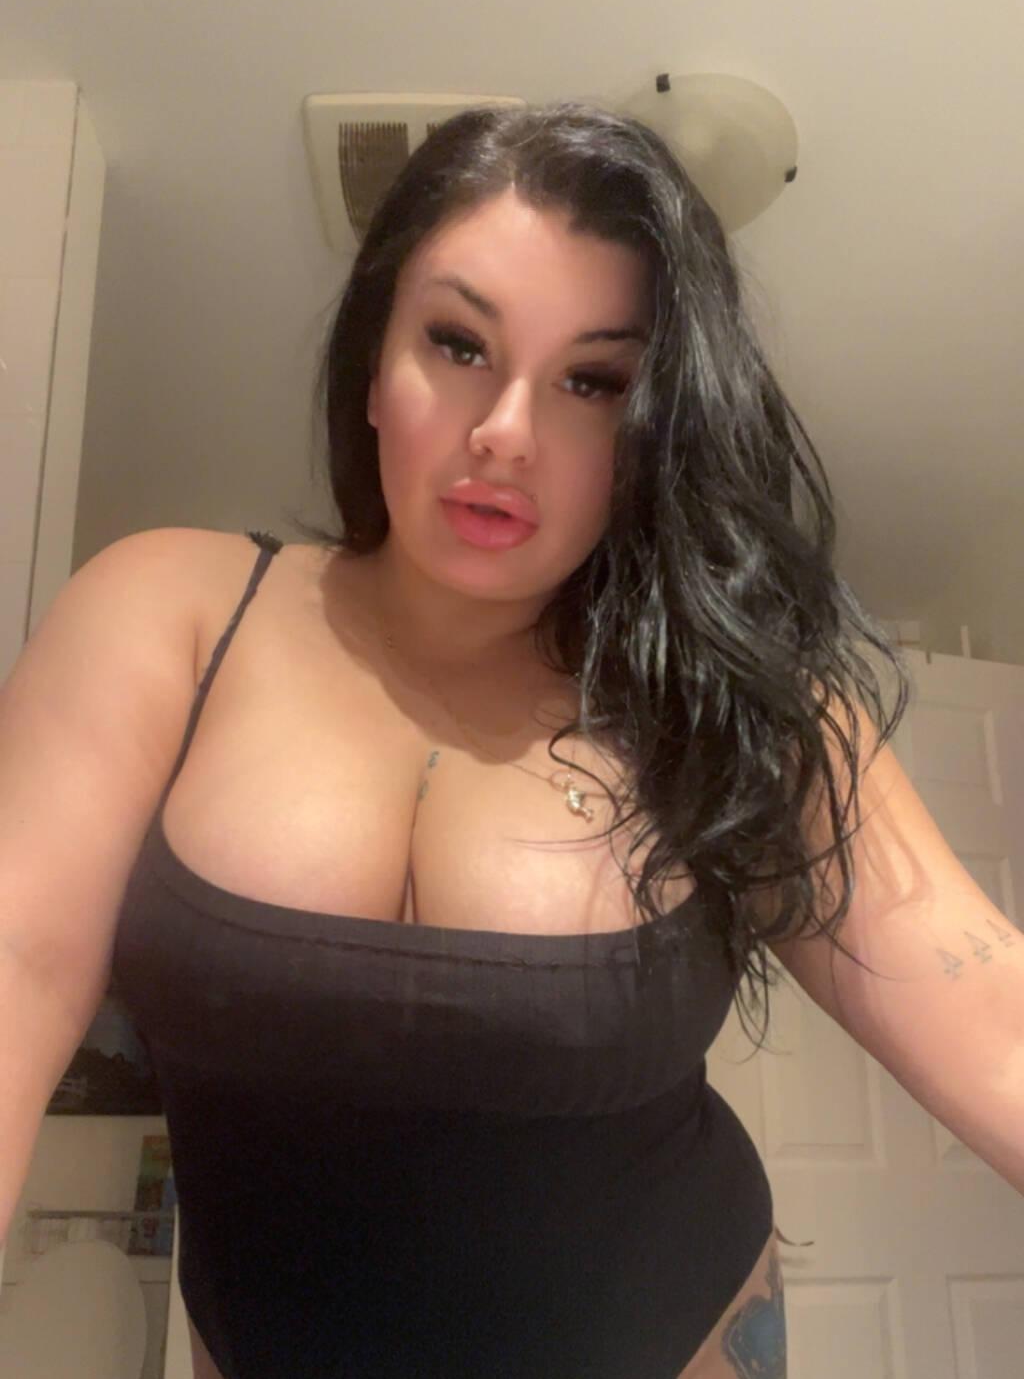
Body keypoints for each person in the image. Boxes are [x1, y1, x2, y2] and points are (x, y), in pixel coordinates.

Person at [2, 97, 949, 1378]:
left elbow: (988, 1011)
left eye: (592, 381)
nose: (506, 429)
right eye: (458, 344)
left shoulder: (733, 693)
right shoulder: (165, 611)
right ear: (372, 368)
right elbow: (14, 966)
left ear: (650, 436)